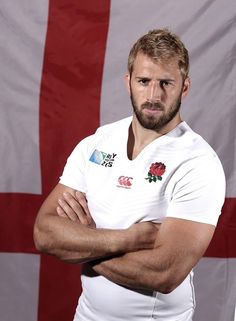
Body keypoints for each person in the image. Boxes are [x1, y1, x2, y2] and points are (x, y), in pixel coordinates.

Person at [33, 28, 226, 321]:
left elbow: (163, 272)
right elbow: (45, 233)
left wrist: (83, 243)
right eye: (144, 81)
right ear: (128, 83)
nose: (153, 95)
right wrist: (126, 239)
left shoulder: (198, 162)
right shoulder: (96, 143)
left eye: (166, 83)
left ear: (184, 87)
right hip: (86, 316)